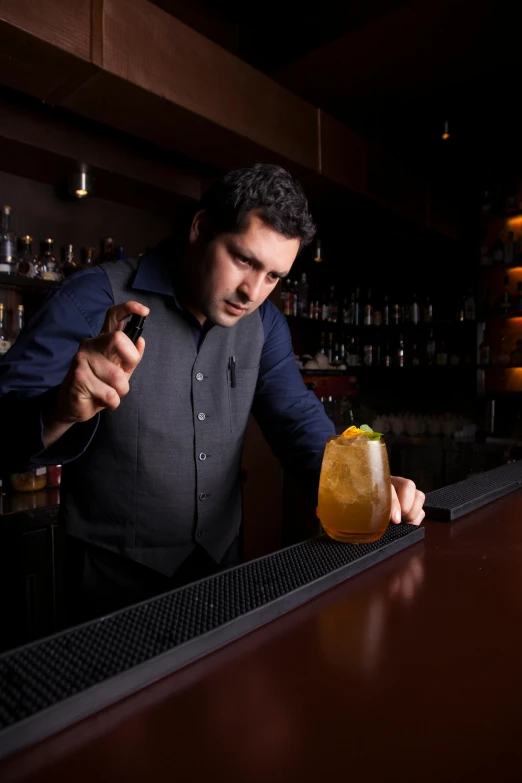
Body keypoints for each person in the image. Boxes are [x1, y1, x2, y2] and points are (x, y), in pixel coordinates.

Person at [0, 164, 425, 622]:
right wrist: (59, 409)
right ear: (201, 229)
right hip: (110, 588)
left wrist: (365, 487)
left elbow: (297, 423)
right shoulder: (91, 297)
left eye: (273, 277)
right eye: (243, 259)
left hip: (220, 577)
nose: (252, 292)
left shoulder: (264, 325)